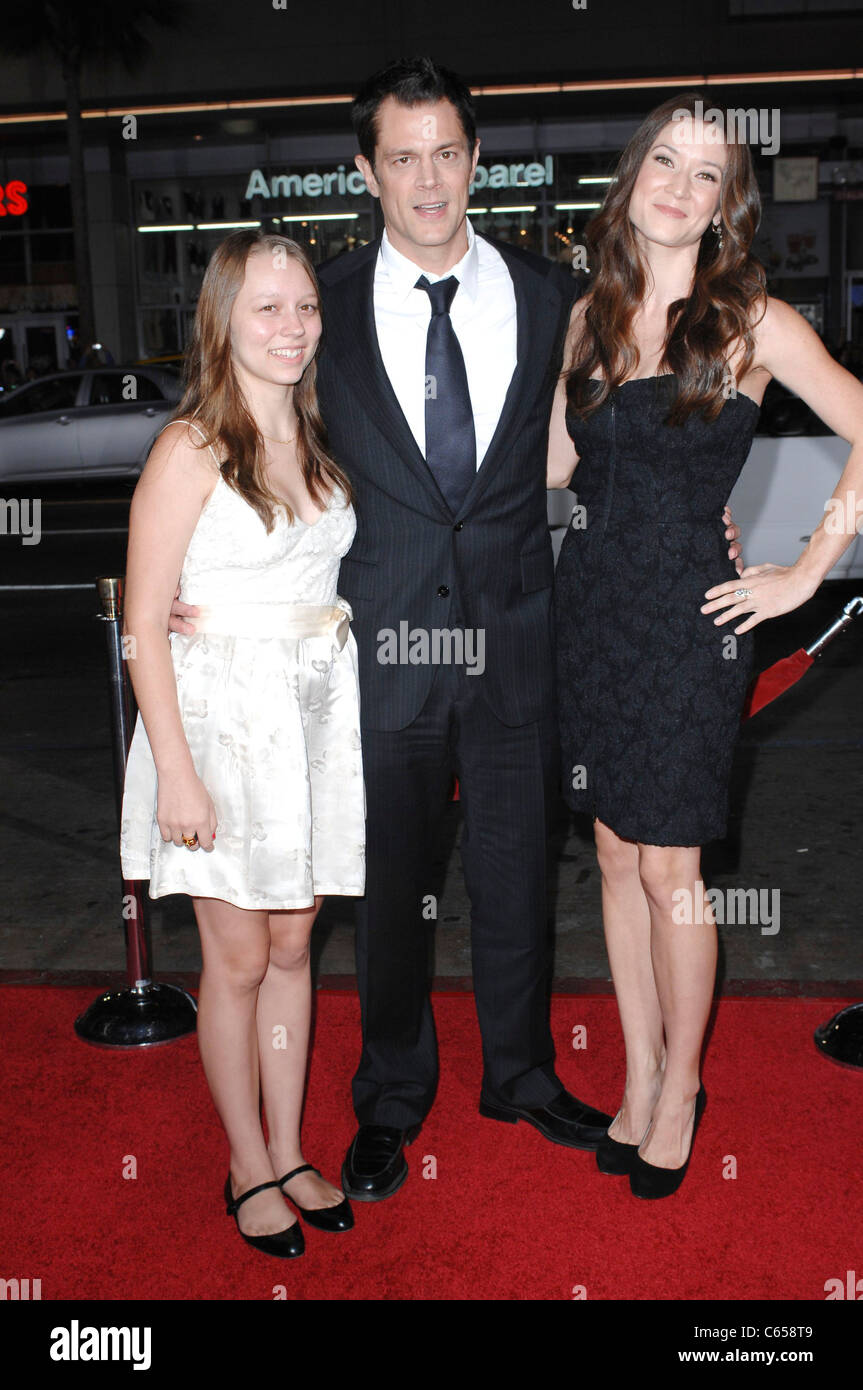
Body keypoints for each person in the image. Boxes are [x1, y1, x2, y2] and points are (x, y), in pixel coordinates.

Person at [170, 59, 741, 1203]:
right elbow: (242, 436)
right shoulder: (316, 307)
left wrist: (695, 514)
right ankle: (389, 1095)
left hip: (523, 632)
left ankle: (521, 1073)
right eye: (401, 156)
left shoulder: (552, 297)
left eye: (446, 153)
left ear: (475, 161)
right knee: (386, 887)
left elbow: (615, 434)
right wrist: (199, 582)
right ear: (365, 171)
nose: (427, 178)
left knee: (517, 871)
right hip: (374, 649)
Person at [547, 91, 863, 1199]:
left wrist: (802, 572)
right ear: (632, 176)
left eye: (705, 173)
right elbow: (546, 471)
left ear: (727, 201)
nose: (678, 187)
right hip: (589, 612)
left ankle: (681, 1085)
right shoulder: (590, 314)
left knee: (673, 865)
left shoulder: (753, 324)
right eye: (663, 162)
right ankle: (633, 1075)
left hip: (692, 621)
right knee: (617, 856)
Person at [120, 231, 364, 1254]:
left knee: (295, 944)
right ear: (222, 319)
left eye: (303, 306)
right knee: (235, 957)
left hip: (310, 721)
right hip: (217, 731)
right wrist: (175, 769)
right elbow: (140, 621)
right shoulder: (188, 447)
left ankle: (290, 1142)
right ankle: (245, 1161)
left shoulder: (314, 436)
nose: (291, 326)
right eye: (267, 307)